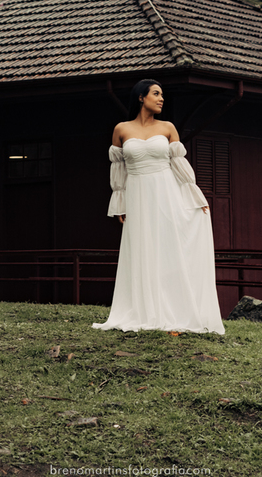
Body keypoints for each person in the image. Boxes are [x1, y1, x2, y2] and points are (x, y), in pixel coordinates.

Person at [93, 79, 225, 334]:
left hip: (167, 192)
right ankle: (142, 309)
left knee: (169, 247)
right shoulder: (121, 129)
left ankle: (175, 308)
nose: (161, 98)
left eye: (162, 94)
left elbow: (180, 166)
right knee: (142, 247)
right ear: (141, 97)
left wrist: (195, 197)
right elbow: (118, 169)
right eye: (156, 94)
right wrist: (119, 203)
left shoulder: (168, 128)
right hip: (137, 194)